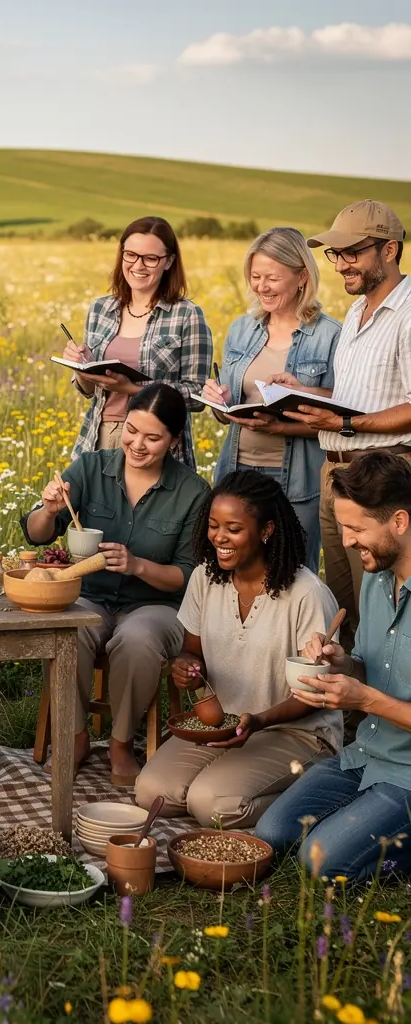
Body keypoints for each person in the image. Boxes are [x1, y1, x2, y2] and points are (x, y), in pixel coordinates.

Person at [20, 383, 209, 786]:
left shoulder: (193, 492)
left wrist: (138, 565)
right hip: (90, 594)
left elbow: (190, 576)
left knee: (137, 638)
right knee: (70, 630)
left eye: (153, 438)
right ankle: (75, 736)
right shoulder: (90, 467)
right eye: (131, 430)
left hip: (157, 605)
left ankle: (121, 743)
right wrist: (48, 509)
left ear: (175, 440)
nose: (137, 445)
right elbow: (36, 535)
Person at [134, 471, 341, 827]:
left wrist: (257, 722)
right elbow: (191, 650)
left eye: (233, 528)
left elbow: (315, 694)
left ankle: (319, 795)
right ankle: (234, 781)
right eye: (213, 525)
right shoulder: (205, 577)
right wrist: (186, 667)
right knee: (152, 792)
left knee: (211, 804)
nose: (219, 537)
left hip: (296, 733)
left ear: (266, 530)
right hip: (224, 724)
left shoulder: (306, 594)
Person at [256, 454, 411, 880]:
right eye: (343, 527)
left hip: (409, 774)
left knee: (320, 861)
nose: (344, 541)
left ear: (399, 521)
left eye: (357, 529)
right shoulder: (378, 581)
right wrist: (343, 664)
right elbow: (368, 668)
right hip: (366, 755)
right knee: (272, 833)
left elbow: (370, 696)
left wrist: (365, 700)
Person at [281, 201, 409, 651]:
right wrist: (303, 393)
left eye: (351, 252)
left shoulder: (409, 312)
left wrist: (342, 421)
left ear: (389, 249)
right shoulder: (355, 313)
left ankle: (383, 717)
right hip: (336, 473)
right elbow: (356, 397)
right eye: (335, 255)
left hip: (384, 474)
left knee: (381, 605)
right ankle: (346, 718)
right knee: (343, 603)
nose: (340, 265)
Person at [201, 227, 340, 571]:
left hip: (298, 480)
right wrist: (219, 401)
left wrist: (280, 426)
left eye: (271, 278)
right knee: (232, 569)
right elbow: (230, 410)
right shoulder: (241, 329)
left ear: (302, 276)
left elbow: (340, 419)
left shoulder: (330, 335)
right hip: (237, 470)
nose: (261, 286)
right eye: (255, 277)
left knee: (291, 570)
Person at [61, 216, 212, 468]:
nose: (138, 265)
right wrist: (82, 369)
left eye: (150, 258)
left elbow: (197, 396)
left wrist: (133, 389)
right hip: (99, 436)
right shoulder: (100, 309)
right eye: (130, 255)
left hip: (157, 445)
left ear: (169, 262)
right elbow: (88, 391)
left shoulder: (187, 315)